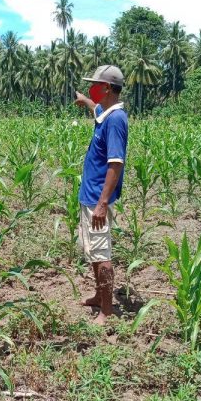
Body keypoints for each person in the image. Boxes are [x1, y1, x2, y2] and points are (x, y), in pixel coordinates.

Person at [74, 65, 128, 325]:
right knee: (94, 252)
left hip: (97, 199)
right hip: (91, 197)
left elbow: (115, 163)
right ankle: (99, 296)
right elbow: (96, 110)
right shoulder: (105, 114)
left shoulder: (116, 120)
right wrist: (86, 102)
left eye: (94, 85)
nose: (91, 88)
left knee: (102, 255)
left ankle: (107, 310)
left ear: (106, 88)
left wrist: (102, 203)